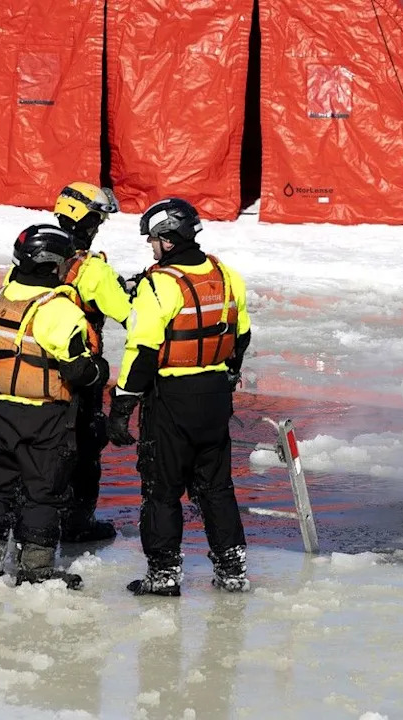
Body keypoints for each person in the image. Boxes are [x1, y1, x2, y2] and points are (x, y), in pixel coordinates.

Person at [106, 198, 252, 596]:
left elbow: (143, 349)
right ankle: (232, 568)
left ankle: (164, 573)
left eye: (153, 240)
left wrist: (122, 405)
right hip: (215, 396)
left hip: (172, 398)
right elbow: (241, 336)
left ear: (168, 240)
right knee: (216, 486)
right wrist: (227, 375)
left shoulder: (161, 284)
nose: (151, 248)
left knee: (161, 487)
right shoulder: (226, 275)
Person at [0, 224, 110, 588]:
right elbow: (79, 369)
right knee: (43, 491)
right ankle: (36, 567)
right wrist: (100, 371)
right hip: (46, 417)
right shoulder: (60, 310)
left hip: (0, 411)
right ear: (51, 265)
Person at [51, 182, 133, 542]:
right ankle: (76, 524)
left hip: (35, 371)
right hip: (82, 371)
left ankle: (31, 521)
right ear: (83, 218)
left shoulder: (34, 253)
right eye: (97, 218)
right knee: (85, 446)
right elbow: (128, 314)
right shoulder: (93, 270)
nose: (99, 226)